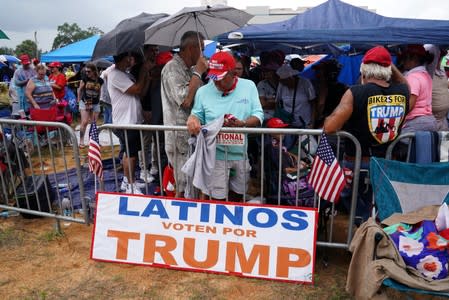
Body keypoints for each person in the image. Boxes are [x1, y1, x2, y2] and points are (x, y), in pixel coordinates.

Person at [324, 45, 410, 222]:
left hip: (358, 164)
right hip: (386, 164)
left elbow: (330, 127)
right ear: (387, 70)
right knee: (380, 208)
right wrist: (387, 64)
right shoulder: (402, 92)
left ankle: (363, 236)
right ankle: (376, 237)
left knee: (356, 206)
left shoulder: (355, 92)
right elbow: (404, 83)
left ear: (363, 70)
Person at [186, 51, 264, 201]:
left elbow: (259, 115)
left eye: (220, 78)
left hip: (241, 153)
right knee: (217, 198)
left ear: (233, 72)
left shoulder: (249, 86)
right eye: (213, 78)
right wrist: (193, 119)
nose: (216, 83)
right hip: (215, 155)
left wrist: (244, 123)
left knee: (238, 195)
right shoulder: (203, 91)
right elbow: (196, 114)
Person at [161, 31, 208, 197]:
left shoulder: (189, 69)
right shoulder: (172, 68)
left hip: (190, 134)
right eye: (201, 48)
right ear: (190, 48)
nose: (204, 53)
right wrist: (198, 73)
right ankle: (179, 220)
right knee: (182, 185)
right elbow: (185, 100)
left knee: (192, 184)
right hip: (178, 136)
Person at [108, 52, 152, 194]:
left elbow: (141, 93)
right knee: (131, 154)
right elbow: (136, 89)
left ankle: (127, 181)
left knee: (129, 153)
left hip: (132, 120)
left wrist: (147, 77)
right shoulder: (115, 74)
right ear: (124, 58)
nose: (131, 59)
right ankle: (130, 185)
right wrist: (143, 71)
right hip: (125, 121)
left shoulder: (125, 74)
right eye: (129, 57)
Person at [400, 44, 437, 134]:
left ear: (415, 59)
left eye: (405, 58)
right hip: (428, 120)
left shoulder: (413, 77)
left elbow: (410, 104)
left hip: (416, 122)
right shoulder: (426, 75)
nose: (403, 61)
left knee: (403, 147)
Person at [275, 64, 316, 128]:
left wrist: (312, 122)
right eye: (283, 82)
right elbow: (277, 102)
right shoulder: (281, 85)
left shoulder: (306, 83)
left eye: (286, 81)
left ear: (291, 78)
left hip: (305, 123)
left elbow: (313, 104)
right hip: (287, 123)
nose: (285, 84)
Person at [77, 63, 104, 148]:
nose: (87, 73)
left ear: (94, 71)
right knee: (84, 122)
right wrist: (80, 101)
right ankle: (81, 141)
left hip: (95, 102)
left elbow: (99, 91)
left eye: (89, 72)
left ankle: (92, 141)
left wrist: (98, 101)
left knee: (94, 123)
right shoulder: (84, 79)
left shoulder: (100, 80)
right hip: (85, 101)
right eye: (86, 72)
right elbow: (80, 91)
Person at [425, 44, 449, 130]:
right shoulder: (428, 72)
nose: (444, 53)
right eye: (441, 53)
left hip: (443, 120)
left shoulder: (441, 71)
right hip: (432, 121)